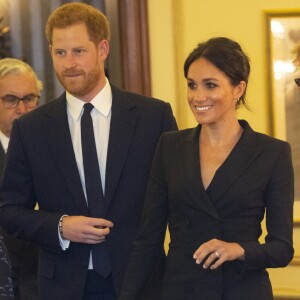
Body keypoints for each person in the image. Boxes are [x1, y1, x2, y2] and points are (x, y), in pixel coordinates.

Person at [0, 3, 177, 300]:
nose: (69, 63)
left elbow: (178, 201)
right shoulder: (31, 129)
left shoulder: (153, 117)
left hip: (142, 284)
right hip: (62, 286)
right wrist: (59, 226)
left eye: (79, 51)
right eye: (60, 53)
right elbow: (9, 210)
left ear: (103, 49)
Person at [119, 37, 294, 300]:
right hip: (180, 290)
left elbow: (282, 249)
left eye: (210, 85)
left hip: (242, 291)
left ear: (238, 89)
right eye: (192, 85)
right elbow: (148, 239)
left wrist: (239, 250)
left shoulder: (272, 153)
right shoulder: (169, 146)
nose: (198, 96)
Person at [0, 58, 42, 299]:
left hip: (41, 277)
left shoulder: (53, 146)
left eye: (29, 99)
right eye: (10, 99)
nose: (22, 109)